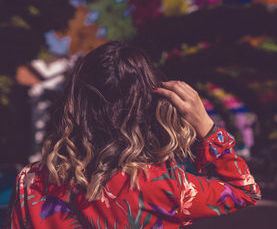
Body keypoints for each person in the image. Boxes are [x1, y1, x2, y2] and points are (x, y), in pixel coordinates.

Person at [5, 41, 261, 228]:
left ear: (75, 104)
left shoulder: (31, 182)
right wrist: (205, 125)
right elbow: (245, 190)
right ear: (148, 107)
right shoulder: (164, 186)